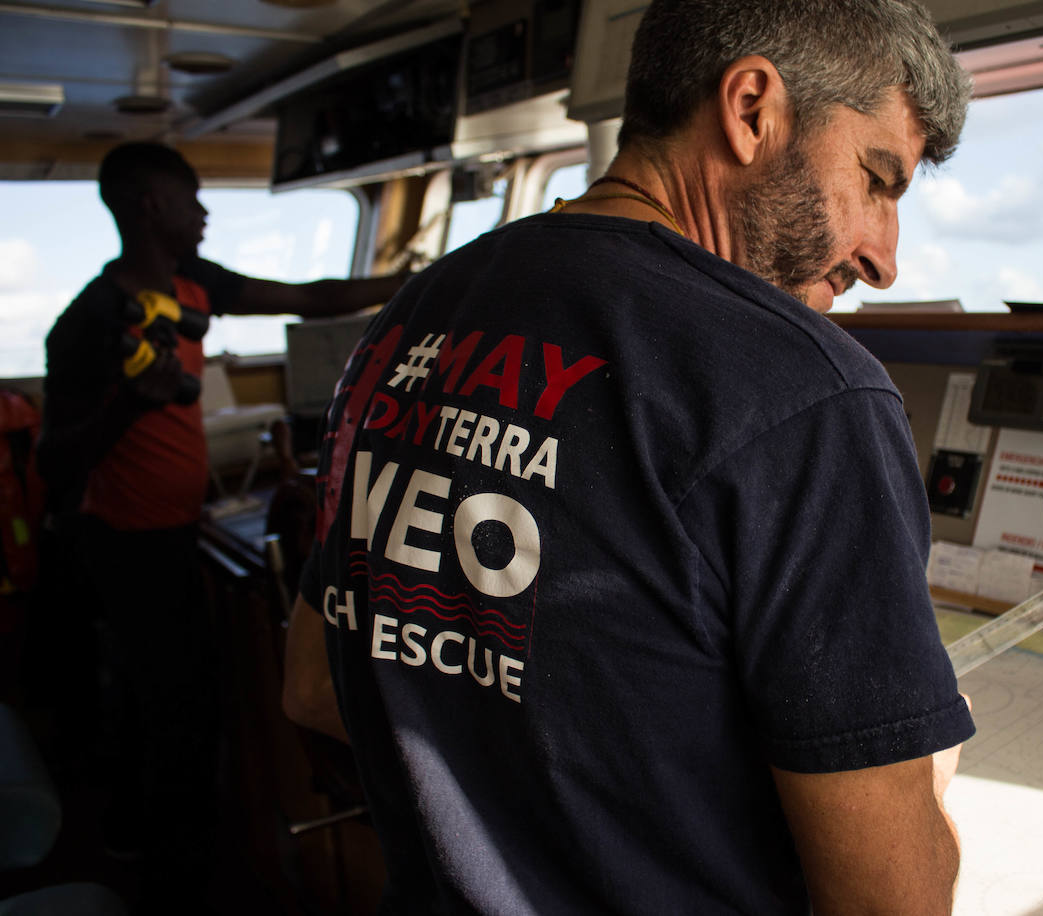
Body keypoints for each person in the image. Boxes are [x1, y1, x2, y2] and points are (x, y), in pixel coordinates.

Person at [284, 0, 976, 912]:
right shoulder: (808, 389)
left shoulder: (417, 314)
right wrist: (918, 776)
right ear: (753, 108)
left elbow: (313, 685)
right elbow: (893, 900)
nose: (885, 256)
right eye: (878, 180)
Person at [35, 140, 408, 913]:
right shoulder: (90, 322)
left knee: (160, 704)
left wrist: (413, 283)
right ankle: (177, 885)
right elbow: (54, 464)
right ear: (150, 207)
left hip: (177, 526)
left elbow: (306, 296)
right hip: (127, 544)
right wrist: (132, 404)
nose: (204, 213)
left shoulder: (191, 286)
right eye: (192, 198)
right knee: (178, 716)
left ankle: (133, 837)